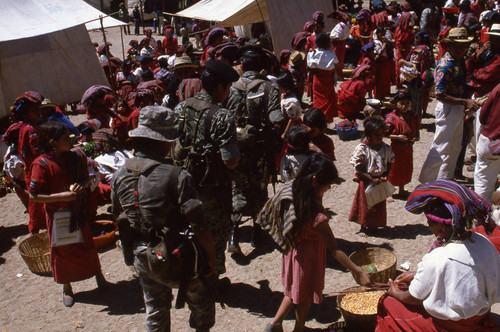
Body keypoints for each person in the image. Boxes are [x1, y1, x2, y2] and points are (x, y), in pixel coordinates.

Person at [111, 106, 216, 331]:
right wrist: (211, 254)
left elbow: (118, 214)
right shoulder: (176, 175)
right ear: (164, 142)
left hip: (141, 254)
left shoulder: (119, 176)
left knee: (155, 309)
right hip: (177, 256)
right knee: (201, 303)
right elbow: (198, 222)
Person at [259, 153, 373, 332]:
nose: (328, 188)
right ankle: (299, 327)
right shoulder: (317, 216)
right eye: (327, 185)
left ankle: (274, 324)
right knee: (303, 295)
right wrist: (357, 271)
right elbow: (335, 249)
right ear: (314, 181)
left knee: (293, 290)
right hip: (308, 258)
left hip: (293, 251)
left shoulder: (294, 189)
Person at [376, 179, 500, 331]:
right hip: (480, 315)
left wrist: (394, 292)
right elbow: (464, 273)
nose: (429, 227)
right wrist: (416, 274)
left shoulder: (438, 257)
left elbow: (414, 298)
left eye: (430, 222)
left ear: (442, 225)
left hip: (451, 325)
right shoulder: (484, 243)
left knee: (387, 303)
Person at [29, 121, 109, 307]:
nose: (70, 139)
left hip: (77, 211)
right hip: (58, 215)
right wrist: (62, 195)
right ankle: (67, 287)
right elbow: (34, 196)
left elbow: (87, 176)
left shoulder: (74, 157)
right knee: (61, 252)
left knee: (87, 244)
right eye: (65, 137)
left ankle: (99, 277)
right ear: (52, 141)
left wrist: (83, 184)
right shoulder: (40, 165)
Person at [174, 60, 240, 276]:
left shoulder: (180, 107)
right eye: (228, 87)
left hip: (182, 185)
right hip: (212, 190)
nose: (229, 92)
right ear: (219, 87)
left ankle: (193, 272)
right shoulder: (222, 116)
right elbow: (230, 161)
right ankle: (213, 278)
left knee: (189, 230)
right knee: (216, 234)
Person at [225, 46, 282, 253]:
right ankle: (259, 233)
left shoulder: (231, 88)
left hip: (236, 149)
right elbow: (276, 118)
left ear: (242, 65)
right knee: (260, 188)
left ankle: (233, 234)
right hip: (259, 149)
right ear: (261, 68)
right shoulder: (268, 88)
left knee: (238, 188)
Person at [419, 28, 480, 183]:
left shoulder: (460, 62)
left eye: (463, 46)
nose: (460, 49)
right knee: (441, 146)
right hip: (448, 108)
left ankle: (445, 179)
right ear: (450, 46)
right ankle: (428, 181)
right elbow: (439, 94)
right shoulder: (446, 65)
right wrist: (465, 102)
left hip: (457, 107)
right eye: (457, 46)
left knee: (454, 147)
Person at [349, 117, 394, 231]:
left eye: (381, 134)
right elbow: (358, 167)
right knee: (366, 205)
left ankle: (375, 225)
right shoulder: (362, 148)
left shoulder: (386, 148)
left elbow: (389, 162)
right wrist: (370, 179)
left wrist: (385, 175)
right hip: (366, 181)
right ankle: (364, 225)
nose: (379, 137)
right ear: (368, 135)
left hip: (380, 181)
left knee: (378, 205)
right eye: (375, 134)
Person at [10, 91, 45, 233]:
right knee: (38, 202)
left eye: (38, 109)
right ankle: (36, 229)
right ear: (25, 114)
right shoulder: (31, 130)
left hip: (31, 169)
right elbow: (37, 152)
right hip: (36, 169)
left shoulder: (25, 127)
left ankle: (36, 228)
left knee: (35, 202)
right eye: (34, 110)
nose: (38, 112)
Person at [385, 89, 418, 197]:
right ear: (396, 104)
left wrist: (415, 138)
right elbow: (385, 134)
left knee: (405, 169)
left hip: (408, 150)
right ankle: (389, 192)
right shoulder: (391, 118)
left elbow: (417, 131)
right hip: (396, 149)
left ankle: (401, 189)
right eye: (401, 104)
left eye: (407, 103)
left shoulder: (413, 116)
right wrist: (397, 137)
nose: (404, 106)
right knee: (393, 169)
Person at [474, 82, 500, 202]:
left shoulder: (498, 87)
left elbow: (483, 115)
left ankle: (481, 214)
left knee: (483, 179)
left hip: (491, 140)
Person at [307, 33, 338, 123]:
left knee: (318, 100)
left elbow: (310, 66)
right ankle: (326, 120)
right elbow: (336, 62)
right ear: (328, 43)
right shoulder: (331, 54)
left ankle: (319, 120)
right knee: (328, 100)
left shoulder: (311, 54)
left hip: (317, 80)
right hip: (328, 80)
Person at [328, 10, 351, 80]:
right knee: (340, 60)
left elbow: (337, 37)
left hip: (337, 45)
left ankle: (337, 76)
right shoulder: (345, 25)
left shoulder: (340, 25)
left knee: (335, 60)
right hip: (342, 45)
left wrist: (329, 37)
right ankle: (339, 75)